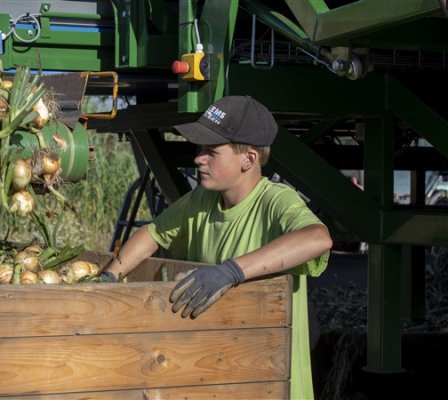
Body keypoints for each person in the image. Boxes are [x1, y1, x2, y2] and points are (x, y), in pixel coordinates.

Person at [100, 96, 332, 399]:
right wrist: (109, 277)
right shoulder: (201, 201)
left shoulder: (276, 201)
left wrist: (232, 271)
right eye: (200, 149)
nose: (199, 158)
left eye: (211, 151)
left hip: (270, 383)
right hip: (214, 377)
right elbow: (153, 233)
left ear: (248, 158)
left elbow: (318, 238)